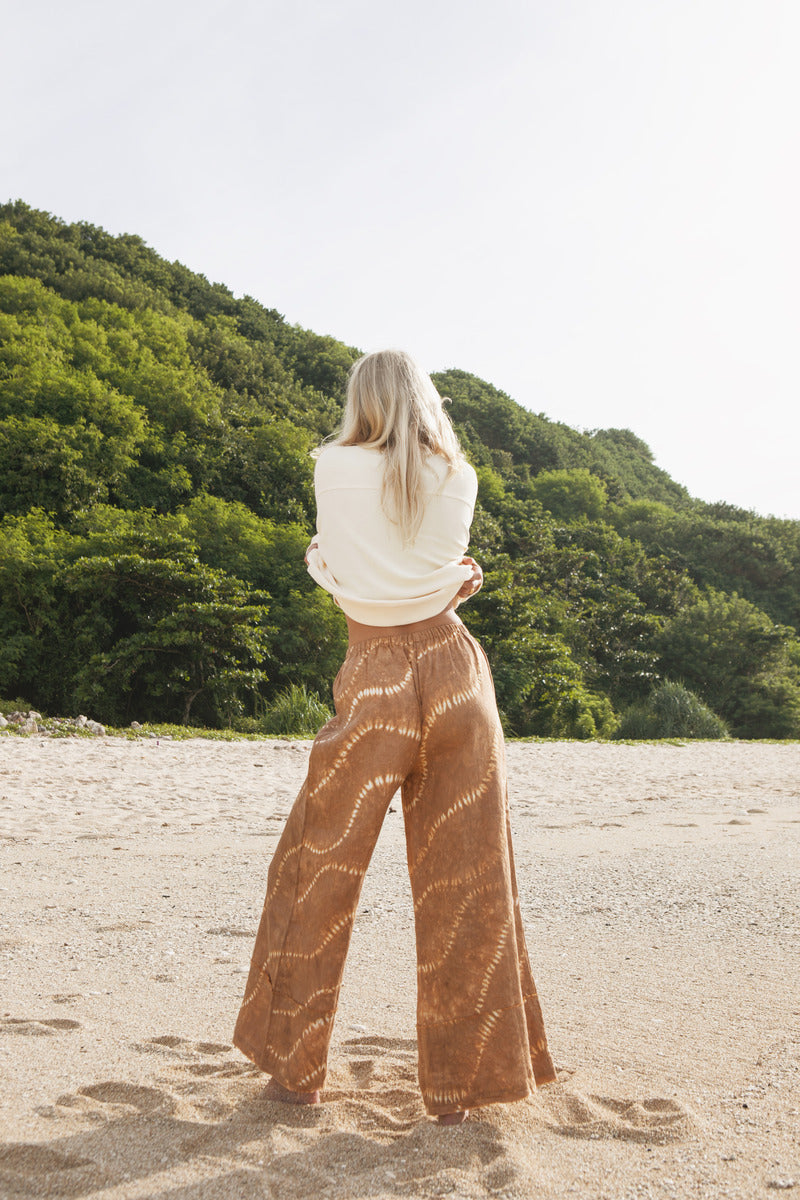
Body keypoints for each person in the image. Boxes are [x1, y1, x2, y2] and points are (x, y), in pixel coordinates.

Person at [233, 349, 557, 1125]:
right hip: (454, 673)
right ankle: (465, 1091)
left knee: (316, 867)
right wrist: (458, 580)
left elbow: (334, 562)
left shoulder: (331, 466)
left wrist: (323, 564)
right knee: (469, 882)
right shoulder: (461, 476)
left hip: (374, 677)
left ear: (360, 398)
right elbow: (437, 569)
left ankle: (295, 1074)